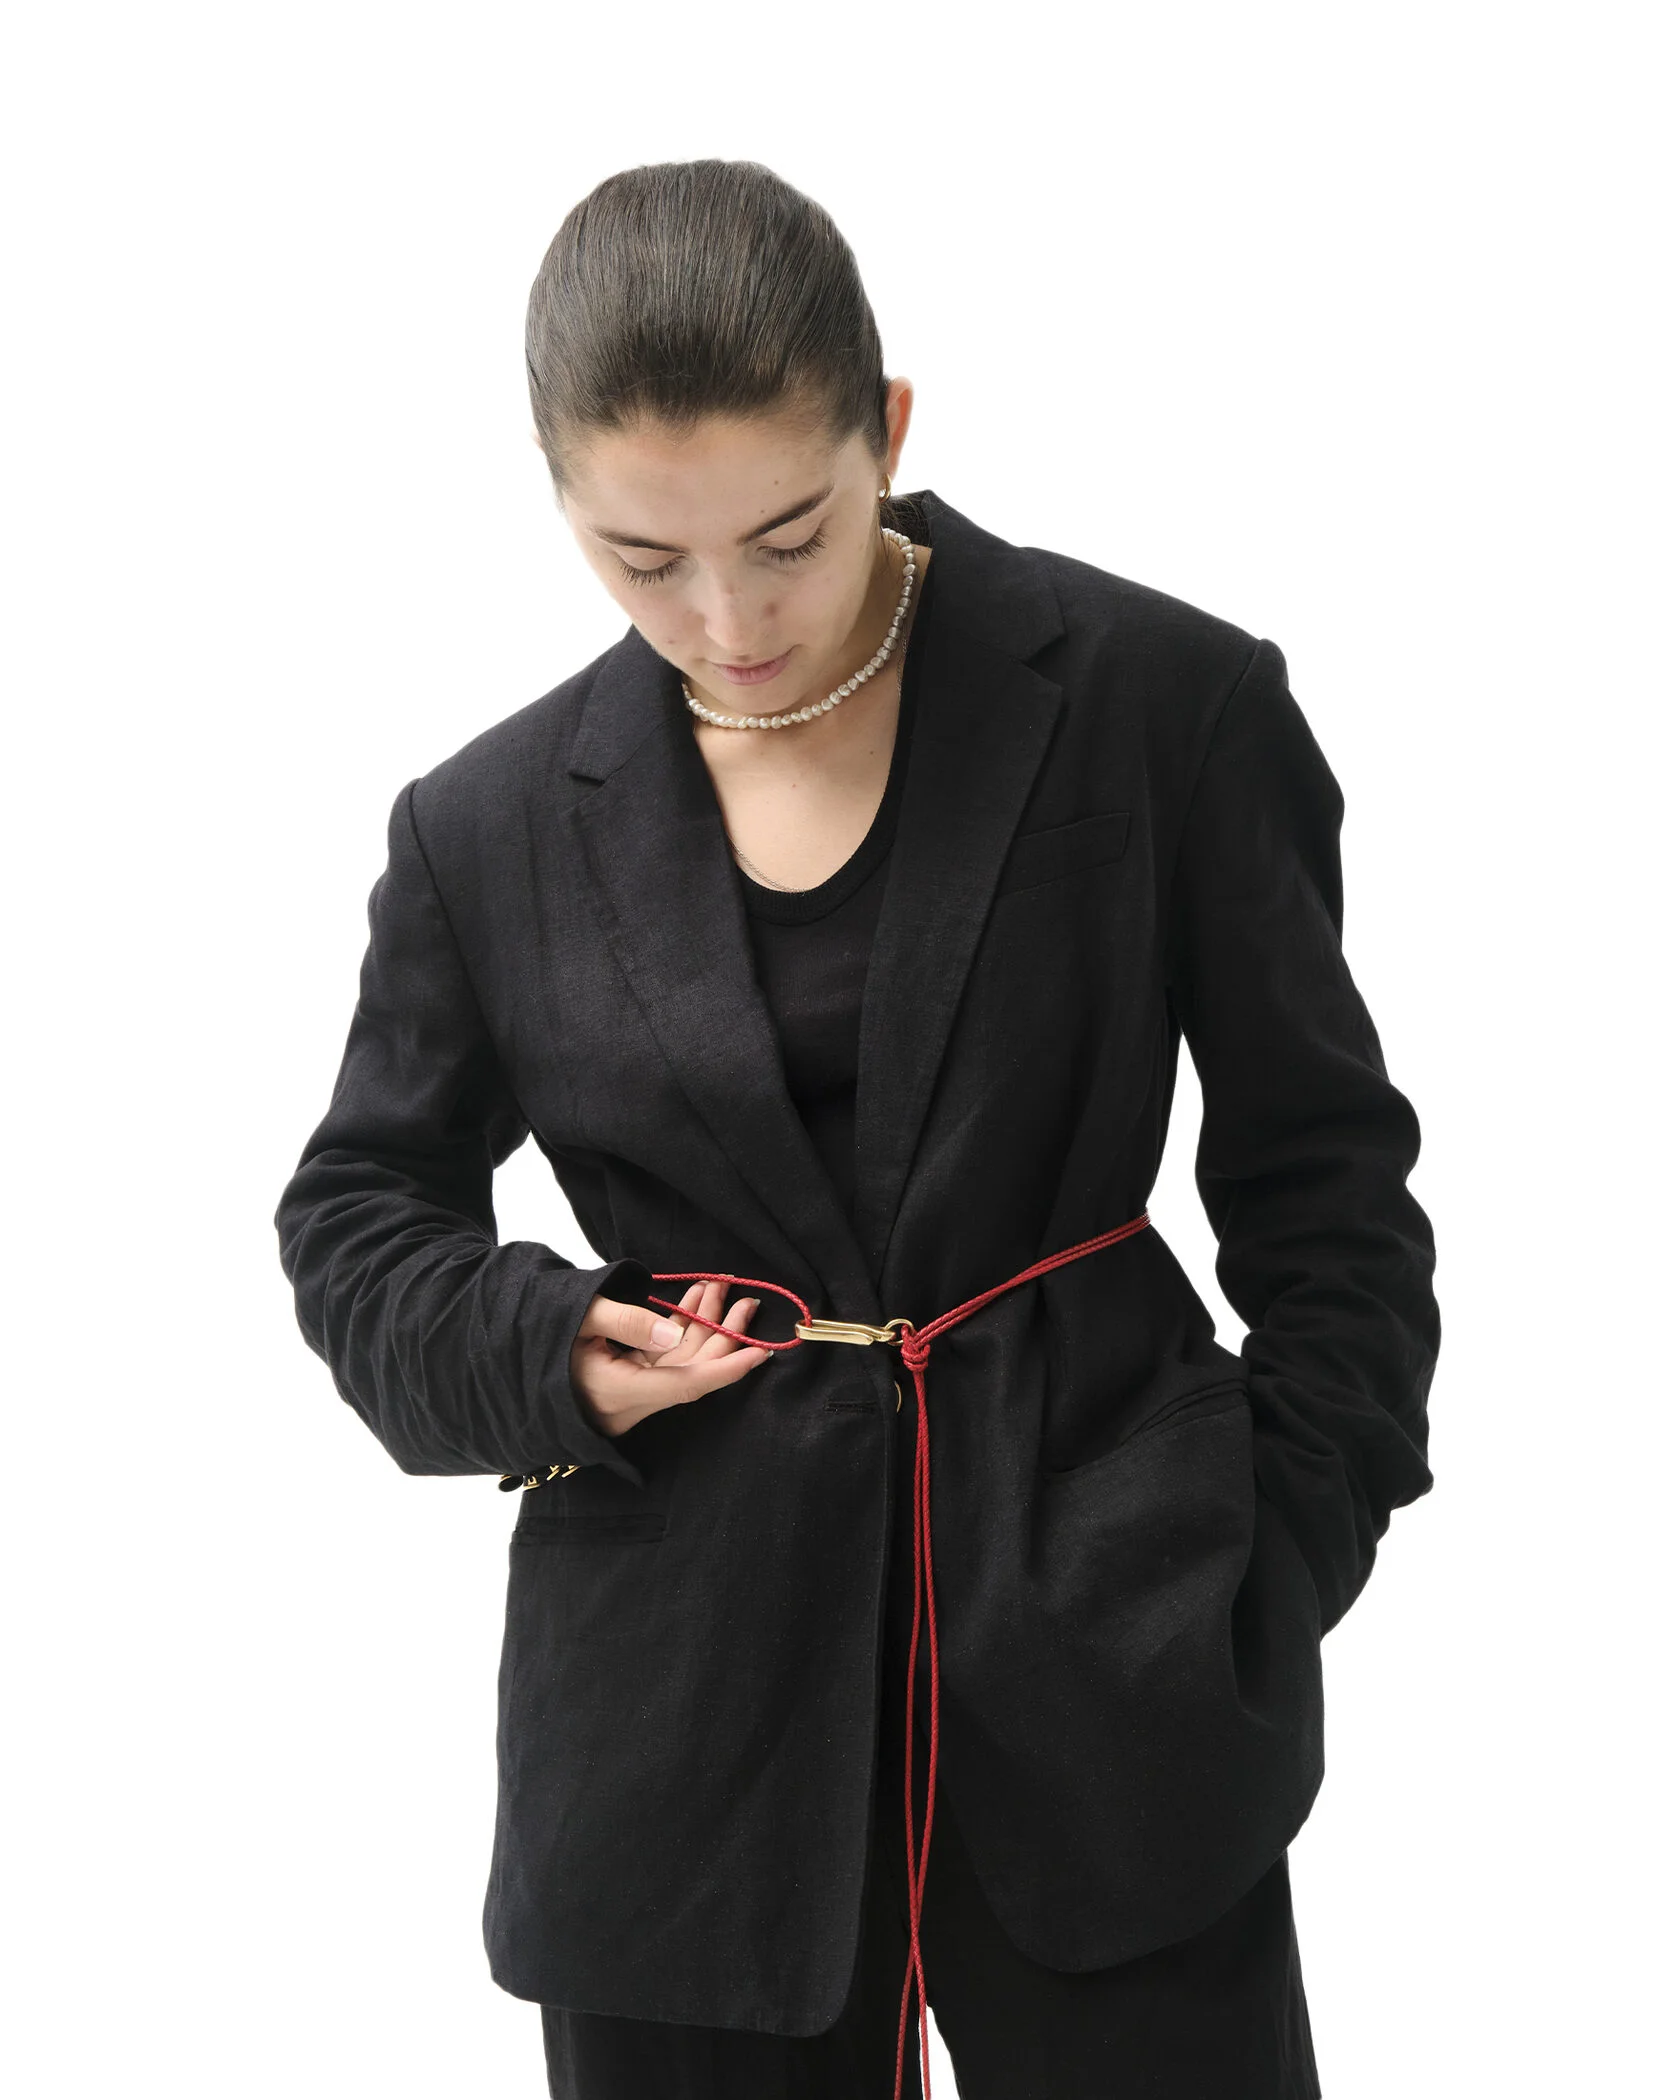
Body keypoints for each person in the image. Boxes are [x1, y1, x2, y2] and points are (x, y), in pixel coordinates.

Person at [274, 158, 1438, 2100]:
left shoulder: (1166, 705)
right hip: (677, 1742)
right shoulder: (483, 828)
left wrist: (1272, 1551)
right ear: (559, 501)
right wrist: (543, 1347)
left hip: (1120, 1679)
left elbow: (1329, 1182)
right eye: (641, 560)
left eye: (789, 535)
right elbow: (359, 1208)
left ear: (885, 430)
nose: (726, 616)